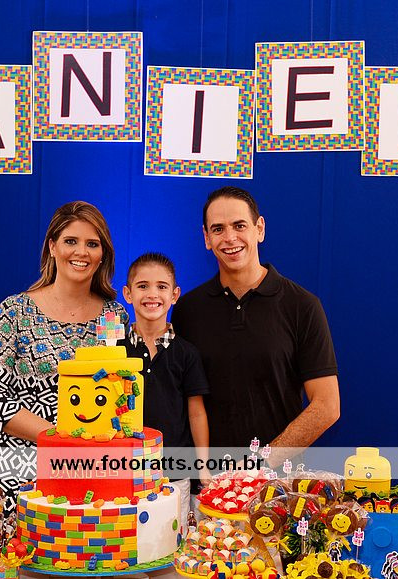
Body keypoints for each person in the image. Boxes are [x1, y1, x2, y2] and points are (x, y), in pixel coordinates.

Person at [0, 201, 128, 517]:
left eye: (92, 244)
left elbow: (120, 391)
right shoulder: (15, 312)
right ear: (53, 247)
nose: (81, 252)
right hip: (19, 475)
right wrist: (59, 438)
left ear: (103, 254)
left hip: (91, 476)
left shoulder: (113, 316)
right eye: (71, 241)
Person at [171, 186, 340, 464]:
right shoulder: (187, 310)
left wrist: (260, 464)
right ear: (206, 238)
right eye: (218, 229)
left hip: (278, 481)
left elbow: (327, 406)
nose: (230, 238)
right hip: (207, 480)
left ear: (259, 229)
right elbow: (178, 398)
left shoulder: (302, 305)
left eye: (239, 226)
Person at [118, 252, 211, 529]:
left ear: (174, 295)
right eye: (142, 286)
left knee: (171, 542)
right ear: (128, 294)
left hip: (175, 473)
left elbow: (196, 414)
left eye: (161, 286)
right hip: (125, 472)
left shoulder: (187, 354)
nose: (152, 294)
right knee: (128, 541)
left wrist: (203, 466)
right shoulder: (115, 351)